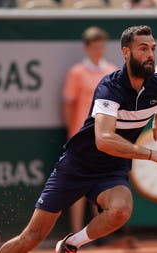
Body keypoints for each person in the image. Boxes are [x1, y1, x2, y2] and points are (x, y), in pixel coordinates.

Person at [0, 25, 157, 253]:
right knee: (31, 238)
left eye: (153, 48)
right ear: (126, 52)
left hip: (112, 169)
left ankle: (72, 243)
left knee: (121, 210)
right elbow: (104, 139)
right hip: (77, 165)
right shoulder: (110, 87)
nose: (150, 55)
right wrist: (152, 154)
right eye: (143, 49)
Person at [62, 26, 117, 235]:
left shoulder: (111, 71)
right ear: (86, 48)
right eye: (95, 47)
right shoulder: (76, 73)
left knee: (103, 185)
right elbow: (68, 104)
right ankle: (75, 234)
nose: (99, 51)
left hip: (105, 136)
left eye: (102, 46)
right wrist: (72, 132)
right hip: (81, 138)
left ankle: (100, 233)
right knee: (77, 187)